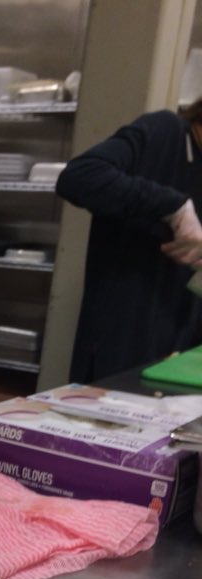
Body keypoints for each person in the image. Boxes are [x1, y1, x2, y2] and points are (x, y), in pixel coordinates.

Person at [56, 101, 202, 382]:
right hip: (121, 335)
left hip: (177, 346)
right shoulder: (165, 132)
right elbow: (78, 177)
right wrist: (173, 207)